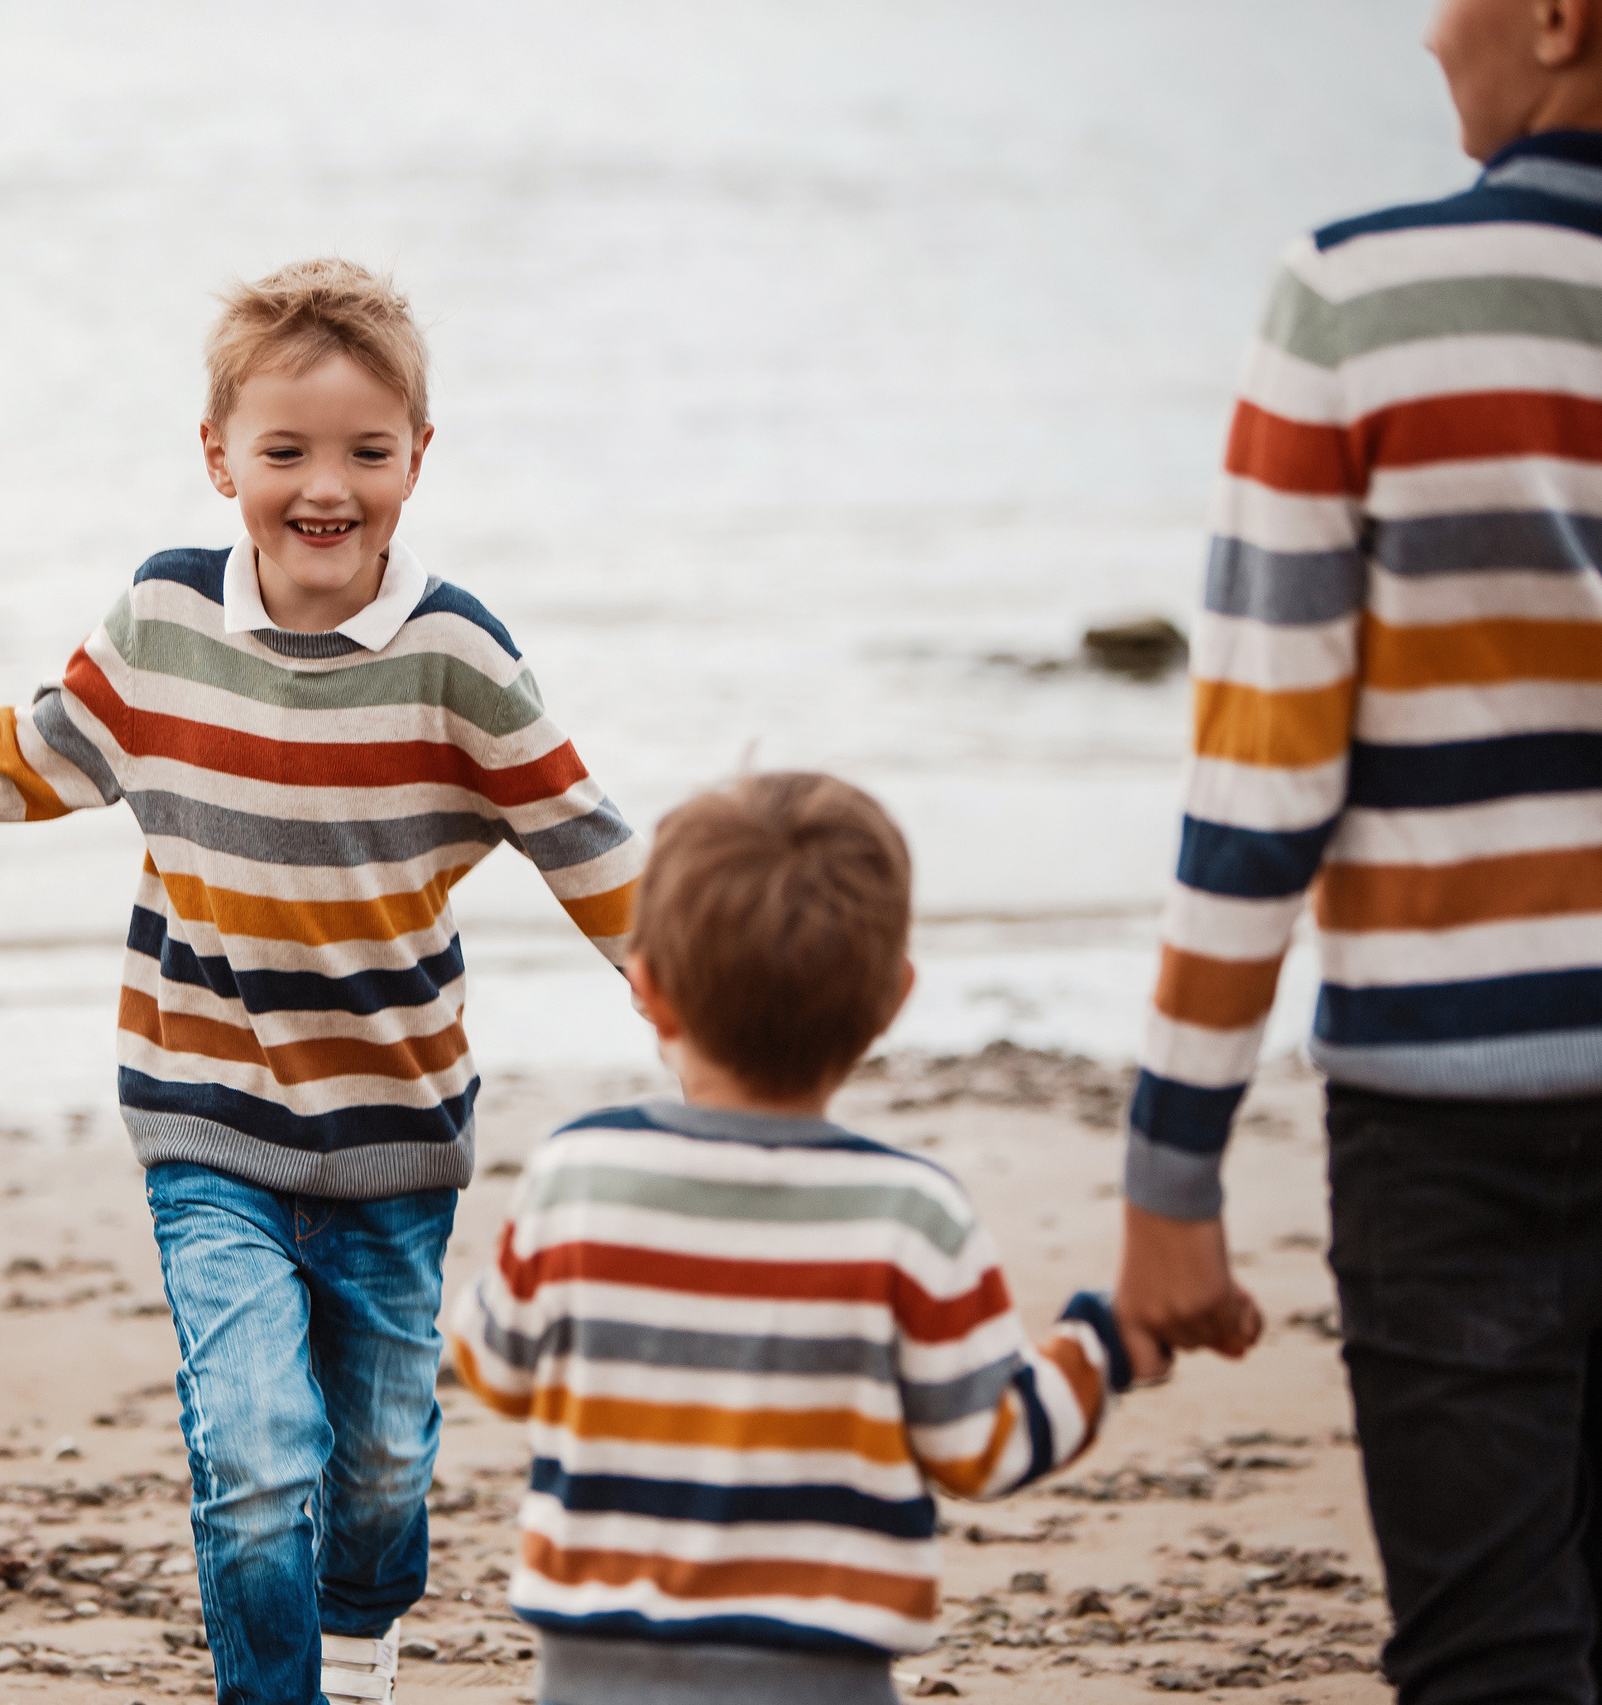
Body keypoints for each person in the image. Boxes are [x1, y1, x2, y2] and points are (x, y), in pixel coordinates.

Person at [0, 258, 646, 1705]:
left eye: (364, 450)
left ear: (420, 453)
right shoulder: (164, 623)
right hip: (205, 1117)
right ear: (219, 457)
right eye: (284, 451)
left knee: (378, 1476)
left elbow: (580, 835)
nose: (324, 486)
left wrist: (703, 994)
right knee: (255, 1456)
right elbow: (22, 755)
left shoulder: (457, 656)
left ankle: (362, 1639)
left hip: (398, 1134)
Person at [1116, 1, 1602, 1696]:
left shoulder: (1357, 302)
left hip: (1454, 1115)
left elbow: (1266, 778)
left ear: (1559, 20)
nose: (1422, 31)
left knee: (1495, 1652)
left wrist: (1173, 1172)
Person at [447, 773, 1157, 1705]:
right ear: (892, 1002)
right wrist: (1104, 1346)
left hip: (595, 1676)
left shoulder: (577, 1179)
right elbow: (985, 1442)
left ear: (648, 986)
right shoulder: (911, 1216)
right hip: (824, 1675)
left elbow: (496, 1368)